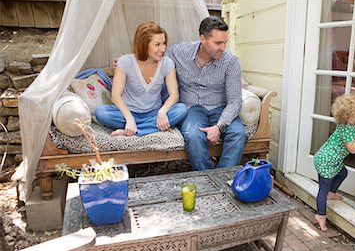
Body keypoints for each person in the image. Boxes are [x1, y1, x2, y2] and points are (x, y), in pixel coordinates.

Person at [165, 16, 247, 170]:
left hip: (220, 108)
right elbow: (155, 59)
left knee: (239, 134)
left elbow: (235, 101)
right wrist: (128, 61)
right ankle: (207, 178)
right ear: (202, 38)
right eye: (217, 43)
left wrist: (219, 127)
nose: (222, 47)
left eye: (225, 42)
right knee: (194, 136)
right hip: (191, 108)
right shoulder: (179, 52)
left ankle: (220, 180)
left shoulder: (231, 61)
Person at [95, 22, 187, 136]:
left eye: (164, 43)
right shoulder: (125, 62)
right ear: (144, 44)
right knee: (101, 113)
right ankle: (144, 128)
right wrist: (129, 119)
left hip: (154, 113)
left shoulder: (167, 63)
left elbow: (174, 95)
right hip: (127, 113)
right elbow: (115, 95)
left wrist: (162, 112)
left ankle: (132, 131)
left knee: (181, 110)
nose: (163, 49)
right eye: (157, 44)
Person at [313, 78, 355, 232]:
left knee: (343, 173)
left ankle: (331, 193)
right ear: (351, 118)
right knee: (322, 188)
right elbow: (353, 149)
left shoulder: (348, 120)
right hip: (326, 161)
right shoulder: (348, 130)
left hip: (332, 159)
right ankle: (320, 215)